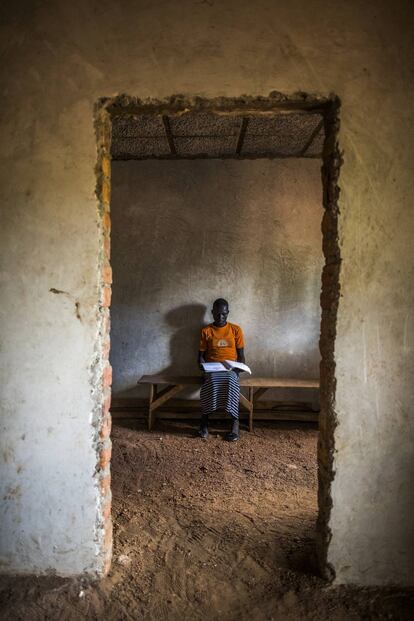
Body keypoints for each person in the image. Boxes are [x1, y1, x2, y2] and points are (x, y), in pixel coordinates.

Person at [198, 298, 246, 442]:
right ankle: (205, 419)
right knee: (211, 380)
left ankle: (234, 422)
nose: (220, 317)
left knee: (231, 380)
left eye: (224, 314)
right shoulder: (206, 331)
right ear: (212, 313)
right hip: (212, 368)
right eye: (217, 314)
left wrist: (237, 370)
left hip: (230, 369)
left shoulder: (235, 330)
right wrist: (203, 368)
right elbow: (200, 357)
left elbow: (242, 356)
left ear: (228, 313)